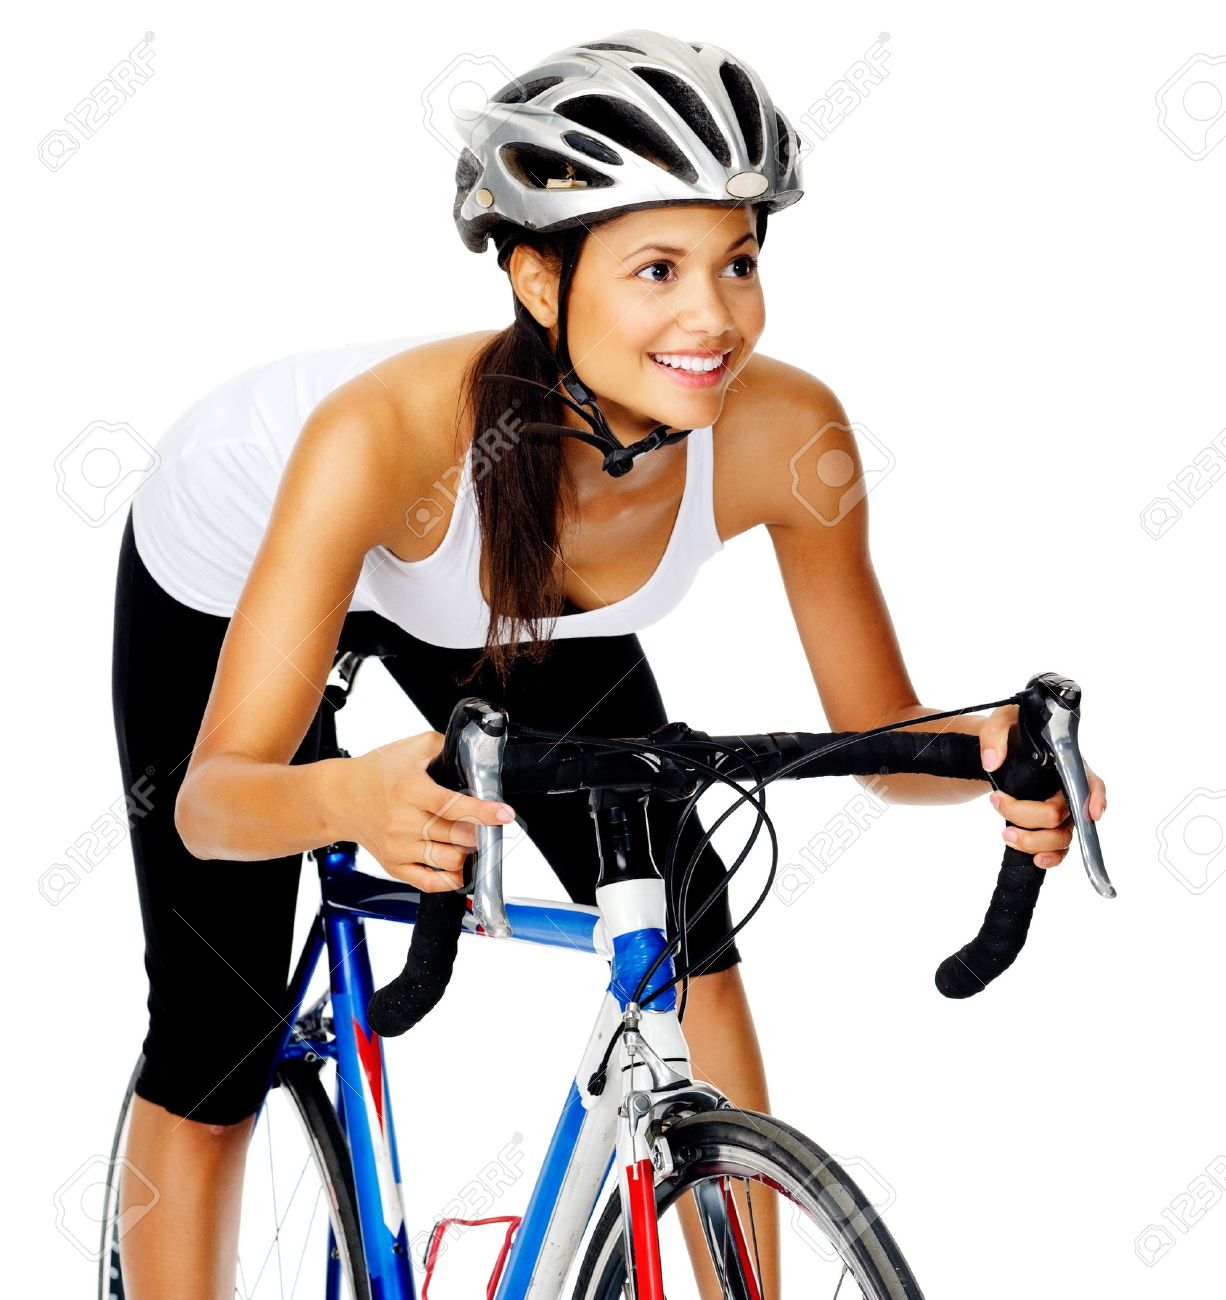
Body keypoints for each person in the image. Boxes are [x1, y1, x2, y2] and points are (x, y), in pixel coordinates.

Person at [110, 27, 1107, 1300]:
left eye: (737, 262)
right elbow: (214, 798)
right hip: (243, 548)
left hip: (497, 591)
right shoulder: (376, 435)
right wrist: (351, 794)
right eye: (656, 268)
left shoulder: (786, 433)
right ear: (538, 281)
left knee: (685, 924)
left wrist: (985, 752)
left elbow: (881, 738)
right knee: (218, 1024)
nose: (713, 317)